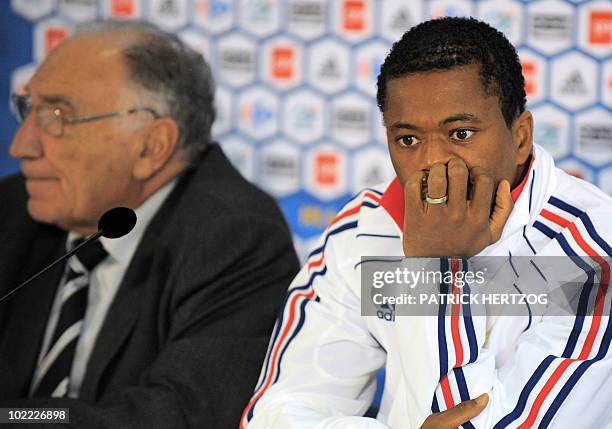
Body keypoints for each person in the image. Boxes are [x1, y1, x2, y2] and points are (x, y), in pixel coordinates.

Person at [242, 17, 612, 429]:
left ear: (520, 137)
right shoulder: (365, 232)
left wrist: (435, 265)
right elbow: (278, 414)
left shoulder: (590, 250)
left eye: (461, 133)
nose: (432, 163)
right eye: (408, 140)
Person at [0, 20, 299, 428]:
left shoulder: (236, 236)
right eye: (27, 109)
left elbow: (180, 416)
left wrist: (12, 418)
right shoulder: (14, 208)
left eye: (56, 116)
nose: (21, 146)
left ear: (151, 146)